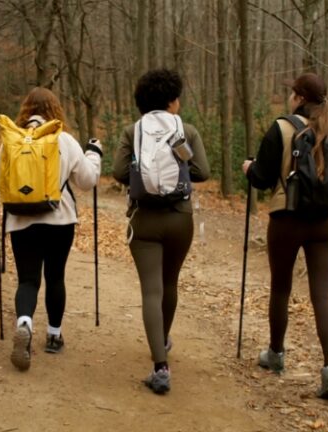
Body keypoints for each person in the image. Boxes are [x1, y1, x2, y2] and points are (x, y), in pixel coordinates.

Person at [241, 72, 328, 400]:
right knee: (322, 294)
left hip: (287, 218)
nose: (289, 97)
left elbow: (261, 178)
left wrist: (248, 168)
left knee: (281, 288)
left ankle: (275, 355)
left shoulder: (282, 128)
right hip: (325, 225)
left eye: (293, 93)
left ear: (300, 98)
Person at [0, 87, 102, 371]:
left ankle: (24, 322)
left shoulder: (9, 140)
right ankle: (54, 336)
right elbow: (87, 181)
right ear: (55, 110)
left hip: (21, 221)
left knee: (28, 279)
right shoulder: (63, 139)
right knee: (55, 276)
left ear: (25, 110)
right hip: (60, 220)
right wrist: (94, 153)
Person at [113, 69, 210, 394]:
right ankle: (163, 339)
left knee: (150, 291)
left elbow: (117, 172)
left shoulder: (132, 131)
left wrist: (142, 177)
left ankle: (160, 366)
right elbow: (202, 172)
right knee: (170, 283)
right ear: (171, 100)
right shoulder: (188, 130)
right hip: (180, 218)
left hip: (144, 221)